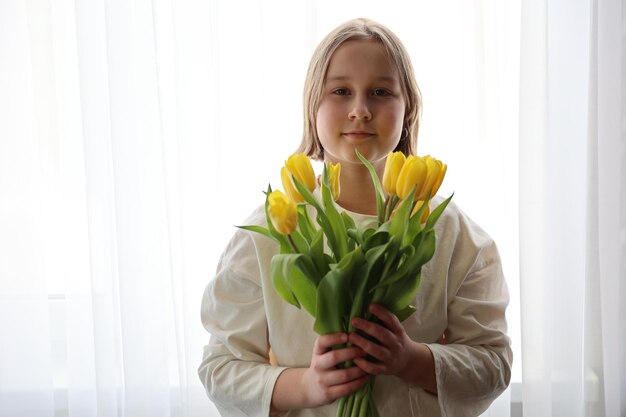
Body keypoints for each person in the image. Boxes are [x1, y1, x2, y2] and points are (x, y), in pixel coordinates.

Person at [198, 17, 512, 417]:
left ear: (408, 109)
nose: (360, 110)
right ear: (313, 105)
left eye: (381, 92)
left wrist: (411, 360)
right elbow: (221, 367)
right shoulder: (269, 232)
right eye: (341, 91)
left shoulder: (458, 237)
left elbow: (493, 363)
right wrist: (308, 386)